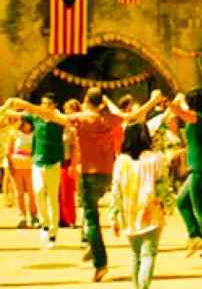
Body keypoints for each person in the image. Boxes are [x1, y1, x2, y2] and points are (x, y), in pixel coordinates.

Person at [4, 88, 161, 281]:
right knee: (92, 216)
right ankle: (93, 248)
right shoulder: (110, 119)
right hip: (107, 174)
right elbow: (134, 115)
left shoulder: (81, 118)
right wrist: (153, 101)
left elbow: (49, 115)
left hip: (89, 174)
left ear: (86, 101)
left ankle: (100, 263)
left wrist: (25, 105)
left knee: (91, 217)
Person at [109, 122, 176, 289]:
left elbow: (115, 189)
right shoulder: (156, 158)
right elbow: (162, 185)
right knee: (149, 254)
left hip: (128, 212)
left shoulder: (121, 161)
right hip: (151, 210)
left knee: (135, 255)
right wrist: (169, 205)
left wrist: (113, 215)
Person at [166, 89, 202, 266]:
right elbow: (181, 109)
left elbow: (178, 110)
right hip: (199, 166)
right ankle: (197, 237)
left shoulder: (199, 118)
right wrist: (179, 99)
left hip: (200, 167)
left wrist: (166, 100)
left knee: (200, 209)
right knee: (182, 203)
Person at [3, 93, 64, 248]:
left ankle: (53, 232)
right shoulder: (35, 117)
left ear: (54, 105)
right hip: (37, 162)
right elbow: (15, 113)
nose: (44, 106)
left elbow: (37, 111)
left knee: (52, 198)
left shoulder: (58, 118)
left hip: (53, 163)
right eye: (42, 103)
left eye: (47, 103)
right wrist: (7, 105)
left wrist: (26, 105)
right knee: (38, 192)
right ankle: (44, 224)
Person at [6, 117, 38, 228]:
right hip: (16, 166)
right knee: (19, 193)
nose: (25, 125)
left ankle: (34, 215)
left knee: (32, 192)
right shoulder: (14, 134)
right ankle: (22, 216)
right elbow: (8, 151)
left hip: (30, 166)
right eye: (24, 123)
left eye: (27, 123)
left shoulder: (35, 134)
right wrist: (10, 166)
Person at [59, 99, 81, 228]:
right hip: (58, 160)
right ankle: (60, 219)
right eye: (67, 109)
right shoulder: (62, 126)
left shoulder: (76, 128)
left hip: (70, 161)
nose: (69, 112)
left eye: (72, 109)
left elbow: (76, 148)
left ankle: (70, 219)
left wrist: (74, 163)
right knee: (59, 191)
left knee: (68, 192)